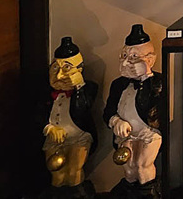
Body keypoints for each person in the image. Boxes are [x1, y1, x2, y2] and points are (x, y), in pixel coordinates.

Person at [103, 25, 163, 199]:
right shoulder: (118, 84)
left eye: (134, 57)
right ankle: (130, 192)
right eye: (124, 56)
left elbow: (156, 109)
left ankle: (148, 193)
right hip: (127, 135)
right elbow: (108, 111)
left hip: (148, 133)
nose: (126, 62)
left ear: (150, 60)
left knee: (142, 166)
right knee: (129, 169)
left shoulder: (158, 82)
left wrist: (145, 77)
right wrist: (115, 121)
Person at [43, 37, 98, 196]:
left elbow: (82, 109)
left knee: (74, 171)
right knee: (57, 173)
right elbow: (38, 114)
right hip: (54, 139)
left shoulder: (89, 89)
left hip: (78, 137)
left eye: (67, 68)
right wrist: (49, 128)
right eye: (55, 68)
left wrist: (79, 86)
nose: (59, 75)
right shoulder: (45, 92)